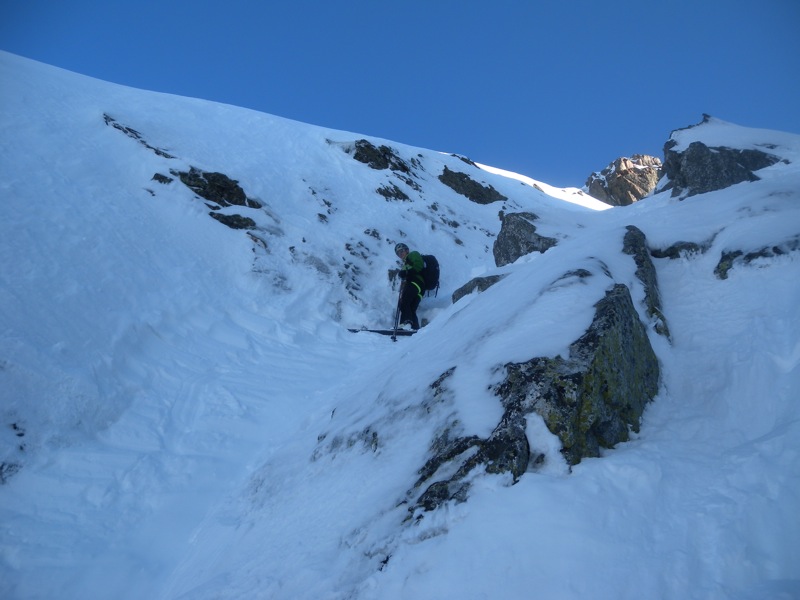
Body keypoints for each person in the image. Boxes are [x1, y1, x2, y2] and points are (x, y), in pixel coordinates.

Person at [394, 242, 424, 330]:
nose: (400, 254)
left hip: (415, 283)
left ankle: (406, 323)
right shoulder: (406, 263)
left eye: (401, 251)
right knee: (411, 308)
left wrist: (406, 273)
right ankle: (414, 328)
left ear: (407, 250)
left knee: (404, 302)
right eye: (398, 253)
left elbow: (419, 265)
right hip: (420, 288)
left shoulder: (413, 255)